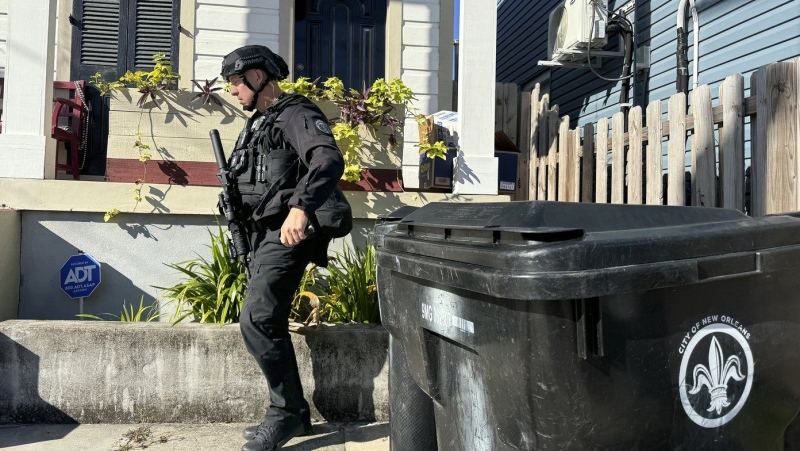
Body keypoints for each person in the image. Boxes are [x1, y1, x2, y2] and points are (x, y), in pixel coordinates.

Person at [219, 45, 346, 451]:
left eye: (237, 83)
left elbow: (326, 158)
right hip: (263, 233)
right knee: (266, 319)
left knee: (256, 319)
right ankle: (296, 413)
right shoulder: (259, 123)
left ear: (258, 78)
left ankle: (286, 414)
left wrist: (300, 207)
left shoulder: (295, 113)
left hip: (289, 231)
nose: (234, 92)